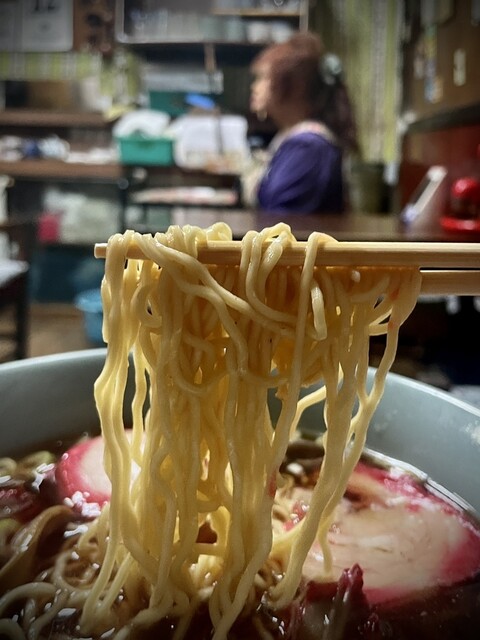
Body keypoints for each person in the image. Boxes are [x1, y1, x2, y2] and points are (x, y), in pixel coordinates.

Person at [242, 31, 358, 214]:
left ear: (295, 86)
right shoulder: (295, 138)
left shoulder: (308, 147)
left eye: (263, 77)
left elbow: (282, 219)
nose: (254, 87)